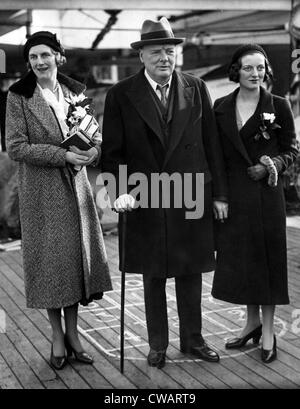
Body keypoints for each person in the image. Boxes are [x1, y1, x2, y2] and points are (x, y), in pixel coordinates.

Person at [101, 17, 228, 369]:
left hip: (190, 193)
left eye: (170, 51)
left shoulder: (196, 88)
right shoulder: (120, 94)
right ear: (141, 56)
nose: (164, 58)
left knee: (190, 271)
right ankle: (157, 344)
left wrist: (220, 195)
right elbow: (111, 154)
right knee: (153, 273)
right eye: (156, 51)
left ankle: (193, 341)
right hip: (145, 196)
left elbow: (212, 145)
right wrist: (118, 192)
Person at [5, 31, 112, 370]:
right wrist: (62, 156)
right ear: (28, 62)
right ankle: (56, 335)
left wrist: (94, 149)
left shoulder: (74, 91)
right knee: (52, 267)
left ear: (58, 57)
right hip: (41, 192)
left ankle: (73, 334)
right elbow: (16, 147)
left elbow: (93, 132)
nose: (39, 61)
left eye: (45, 55)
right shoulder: (18, 96)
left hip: (76, 190)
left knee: (74, 263)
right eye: (33, 56)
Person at [211, 44, 299, 363]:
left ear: (266, 70)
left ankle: (269, 331)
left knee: (268, 262)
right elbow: (216, 157)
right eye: (248, 68)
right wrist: (218, 196)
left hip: (265, 197)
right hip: (234, 198)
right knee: (245, 262)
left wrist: (270, 165)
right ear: (236, 71)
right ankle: (251, 324)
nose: (255, 73)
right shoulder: (220, 107)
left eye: (260, 67)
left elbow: (292, 150)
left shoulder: (279, 105)